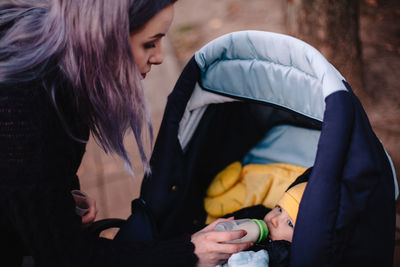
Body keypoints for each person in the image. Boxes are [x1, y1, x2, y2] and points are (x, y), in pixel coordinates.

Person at [0, 1, 252, 266]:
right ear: (104, 39)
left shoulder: (43, 42)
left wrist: (54, 198)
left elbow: (25, 175)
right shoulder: (27, 113)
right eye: (149, 44)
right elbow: (66, 256)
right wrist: (188, 253)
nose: (159, 57)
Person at [218, 181, 309, 267]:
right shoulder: (255, 214)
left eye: (290, 223)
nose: (274, 219)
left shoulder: (284, 256)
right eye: (280, 209)